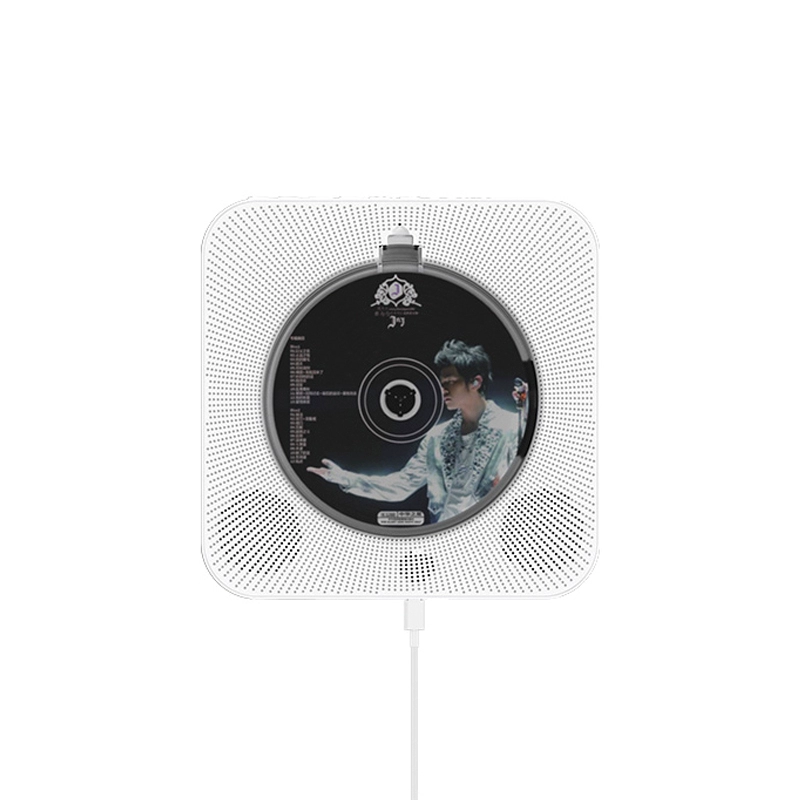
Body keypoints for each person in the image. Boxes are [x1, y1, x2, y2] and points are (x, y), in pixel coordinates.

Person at [307, 340, 519, 523]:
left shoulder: (513, 427)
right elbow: (401, 485)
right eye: (442, 383)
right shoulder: (436, 437)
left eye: (451, 382)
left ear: (475, 382)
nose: (443, 389)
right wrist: (345, 478)